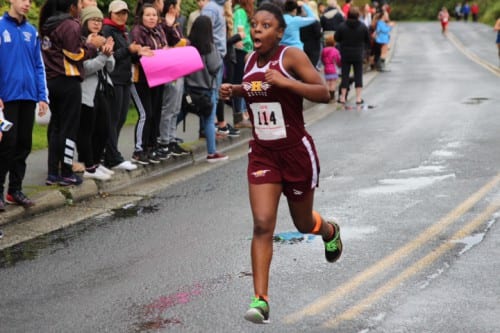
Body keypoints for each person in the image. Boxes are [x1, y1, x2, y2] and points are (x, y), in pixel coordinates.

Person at [219, 2, 343, 324]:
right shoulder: (248, 60)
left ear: (278, 32)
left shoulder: (290, 57)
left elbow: (322, 93)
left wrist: (287, 83)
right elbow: (255, 89)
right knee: (262, 224)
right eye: (254, 25)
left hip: (296, 153)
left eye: (264, 26)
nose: (256, 29)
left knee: (303, 224)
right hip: (263, 153)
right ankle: (260, 300)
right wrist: (233, 90)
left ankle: (329, 231)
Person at [40, 0, 106, 186]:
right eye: (79, 3)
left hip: (51, 80)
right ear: (71, 7)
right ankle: (67, 172)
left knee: (56, 128)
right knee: (69, 129)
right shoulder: (70, 24)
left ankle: (53, 172)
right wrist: (92, 45)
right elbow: (75, 54)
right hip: (68, 80)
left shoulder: (48, 23)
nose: (81, 7)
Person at [0, 0, 49, 209]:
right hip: (6, 98)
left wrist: (42, 96)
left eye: (30, 1)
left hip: (28, 97)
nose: (27, 4)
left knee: (23, 144)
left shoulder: (31, 31)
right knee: (6, 145)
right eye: (22, 0)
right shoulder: (1, 27)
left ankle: (15, 190)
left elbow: (38, 65)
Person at [101, 0, 141, 171]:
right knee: (113, 119)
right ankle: (112, 156)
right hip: (113, 79)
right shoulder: (107, 31)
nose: (121, 16)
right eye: (118, 13)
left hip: (125, 79)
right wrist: (129, 50)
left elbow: (127, 56)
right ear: (111, 14)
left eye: (124, 13)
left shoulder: (123, 31)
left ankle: (110, 153)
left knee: (120, 118)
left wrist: (137, 53)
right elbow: (110, 56)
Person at [77, 6, 115, 181]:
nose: (97, 23)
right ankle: (87, 164)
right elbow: (85, 67)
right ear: (85, 21)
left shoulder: (102, 39)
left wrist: (106, 51)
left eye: (99, 20)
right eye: (93, 20)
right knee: (87, 130)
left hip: (101, 88)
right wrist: (102, 56)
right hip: (86, 90)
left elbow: (111, 66)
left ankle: (96, 162)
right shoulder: (80, 40)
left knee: (104, 128)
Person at [185, 16, 228, 162]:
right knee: (209, 120)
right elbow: (215, 66)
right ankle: (212, 152)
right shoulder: (209, 46)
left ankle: (164, 139)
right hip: (207, 89)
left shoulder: (187, 45)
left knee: (181, 112)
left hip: (190, 89)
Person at [129, 3, 167, 165]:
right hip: (141, 79)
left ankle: (151, 146)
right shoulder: (137, 31)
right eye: (148, 15)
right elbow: (139, 54)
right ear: (141, 17)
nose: (152, 18)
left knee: (155, 113)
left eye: (154, 15)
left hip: (157, 78)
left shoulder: (158, 31)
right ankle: (139, 150)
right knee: (146, 114)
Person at [200, 0, 230, 161]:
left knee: (212, 100)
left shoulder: (218, 7)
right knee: (210, 101)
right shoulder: (211, 8)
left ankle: (210, 144)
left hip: (217, 59)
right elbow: (204, 32)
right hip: (212, 59)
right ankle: (211, 151)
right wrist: (212, 56)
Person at [334, 6, 370, 105]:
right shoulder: (363, 27)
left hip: (345, 53)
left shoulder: (342, 26)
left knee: (345, 75)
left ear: (348, 15)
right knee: (358, 75)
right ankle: (358, 98)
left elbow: (336, 38)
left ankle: (342, 97)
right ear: (358, 15)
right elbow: (367, 40)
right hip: (358, 54)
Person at [232, 0, 254, 128]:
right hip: (242, 50)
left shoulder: (241, 11)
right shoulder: (240, 11)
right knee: (240, 82)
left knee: (243, 81)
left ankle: (244, 113)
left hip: (245, 50)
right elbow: (240, 31)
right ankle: (241, 115)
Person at [321, 34, 341, 101]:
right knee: (333, 82)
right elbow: (338, 60)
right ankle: (332, 96)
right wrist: (339, 65)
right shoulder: (335, 50)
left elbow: (322, 59)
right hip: (333, 68)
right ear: (334, 42)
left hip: (326, 68)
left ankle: (327, 95)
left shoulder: (323, 50)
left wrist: (325, 64)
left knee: (327, 82)